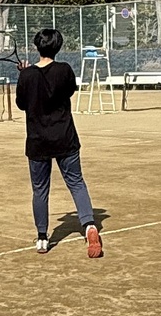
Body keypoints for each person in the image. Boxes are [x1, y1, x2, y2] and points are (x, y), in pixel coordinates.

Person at [15, 27, 102, 257]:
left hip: (38, 141)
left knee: (40, 190)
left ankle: (42, 237)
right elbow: (68, 92)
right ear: (58, 47)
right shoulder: (65, 70)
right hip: (65, 137)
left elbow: (22, 104)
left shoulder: (26, 76)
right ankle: (90, 226)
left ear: (37, 47)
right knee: (76, 183)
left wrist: (24, 75)